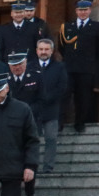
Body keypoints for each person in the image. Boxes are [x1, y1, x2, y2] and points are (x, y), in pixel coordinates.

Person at [59, 0, 99, 133]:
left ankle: (80, 123)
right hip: (69, 67)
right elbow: (62, 47)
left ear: (90, 10)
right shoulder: (67, 26)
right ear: (76, 11)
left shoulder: (97, 27)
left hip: (86, 68)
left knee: (83, 98)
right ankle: (60, 122)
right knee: (64, 96)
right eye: (80, 10)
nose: (83, 12)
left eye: (85, 10)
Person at [7, 51, 42, 196]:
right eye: (14, 65)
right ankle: (15, 194)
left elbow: (41, 99)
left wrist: (26, 113)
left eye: (20, 64)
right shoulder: (5, 81)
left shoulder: (35, 77)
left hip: (30, 123)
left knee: (30, 158)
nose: (17, 68)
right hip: (10, 126)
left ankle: (30, 191)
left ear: (26, 63)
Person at [33, 38, 69, 173]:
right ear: (36, 51)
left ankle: (48, 167)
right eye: (41, 49)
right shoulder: (30, 66)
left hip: (52, 109)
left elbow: (62, 87)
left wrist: (48, 98)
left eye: (46, 49)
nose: (43, 52)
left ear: (52, 51)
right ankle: (32, 166)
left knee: (51, 139)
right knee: (33, 140)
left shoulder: (60, 67)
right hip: (34, 110)